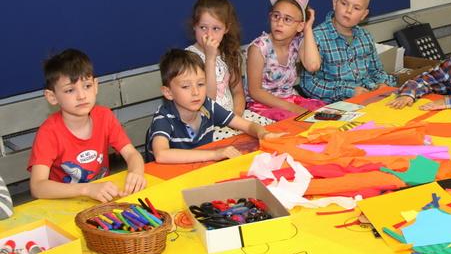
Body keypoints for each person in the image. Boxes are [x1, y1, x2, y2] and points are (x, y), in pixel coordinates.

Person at [28, 49, 146, 202]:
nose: (81, 96)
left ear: (96, 86)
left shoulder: (105, 116)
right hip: (63, 203)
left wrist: (136, 172)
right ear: (52, 97)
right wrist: (86, 189)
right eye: (70, 90)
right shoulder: (49, 132)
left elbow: (132, 154)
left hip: (101, 200)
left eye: (87, 86)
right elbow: (37, 187)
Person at [146, 50, 283, 163]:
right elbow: (162, 155)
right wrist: (214, 154)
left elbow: (246, 125)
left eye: (201, 84)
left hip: (198, 169)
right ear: (168, 93)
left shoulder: (207, 106)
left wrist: (262, 133)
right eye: (186, 86)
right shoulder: (163, 117)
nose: (196, 92)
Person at [300, 0, 395, 102]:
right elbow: (309, 85)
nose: (348, 11)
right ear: (335, 3)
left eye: (356, 8)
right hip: (337, 105)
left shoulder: (365, 37)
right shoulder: (316, 38)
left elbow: (377, 71)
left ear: (364, 15)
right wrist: (347, 91)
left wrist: (383, 83)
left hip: (368, 99)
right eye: (344, 4)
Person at [186, 0, 263, 139]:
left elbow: (238, 92)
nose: (209, 34)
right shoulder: (188, 59)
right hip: (208, 123)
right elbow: (208, 100)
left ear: (226, 29)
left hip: (233, 118)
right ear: (194, 26)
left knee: (265, 132)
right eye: (203, 27)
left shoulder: (228, 53)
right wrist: (210, 59)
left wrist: (237, 115)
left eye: (216, 28)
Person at [246, 0, 325, 121]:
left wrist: (307, 28)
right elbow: (255, 92)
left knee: (322, 115)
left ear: (299, 26)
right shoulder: (259, 48)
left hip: (290, 100)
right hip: (263, 106)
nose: (279, 23)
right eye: (276, 16)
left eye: (287, 19)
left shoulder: (297, 42)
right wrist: (292, 108)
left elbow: (313, 66)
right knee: (296, 124)